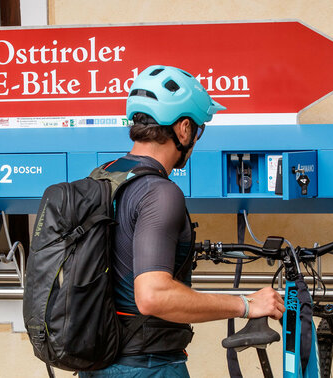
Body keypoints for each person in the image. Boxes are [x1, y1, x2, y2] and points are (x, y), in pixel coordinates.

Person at [79, 65, 285, 378]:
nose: (195, 140)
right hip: (146, 368)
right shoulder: (160, 193)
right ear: (184, 129)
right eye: (199, 131)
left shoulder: (103, 176)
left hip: (98, 365)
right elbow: (153, 296)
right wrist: (245, 304)